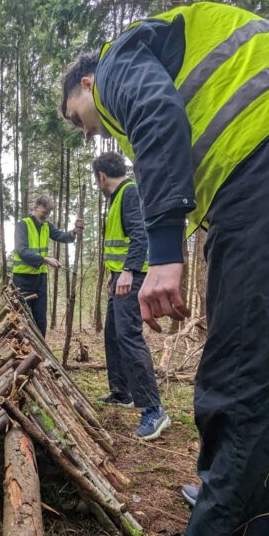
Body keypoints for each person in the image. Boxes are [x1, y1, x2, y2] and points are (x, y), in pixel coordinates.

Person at [61, 1, 269, 536]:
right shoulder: (174, 45)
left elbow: (156, 116)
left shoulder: (121, 59)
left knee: (238, 374)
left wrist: (167, 252)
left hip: (267, 163)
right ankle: (255, 521)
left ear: (87, 85)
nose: (90, 133)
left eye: (78, 118)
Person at [94, 151, 170, 440]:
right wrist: (115, 272)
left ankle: (153, 409)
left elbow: (140, 234)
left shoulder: (129, 192)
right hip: (121, 277)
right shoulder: (117, 199)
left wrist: (128, 270)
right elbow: (122, 241)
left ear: (101, 176)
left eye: (97, 180)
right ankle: (121, 391)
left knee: (129, 337)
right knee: (113, 333)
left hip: (133, 277)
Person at [12, 194, 84, 336]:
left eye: (49, 212)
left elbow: (61, 236)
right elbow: (21, 251)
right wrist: (45, 260)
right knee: (22, 317)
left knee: (40, 318)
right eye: (44, 211)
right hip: (22, 279)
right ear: (36, 207)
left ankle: (41, 352)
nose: (46, 214)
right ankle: (22, 354)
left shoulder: (46, 225)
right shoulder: (23, 225)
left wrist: (74, 231)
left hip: (40, 279)